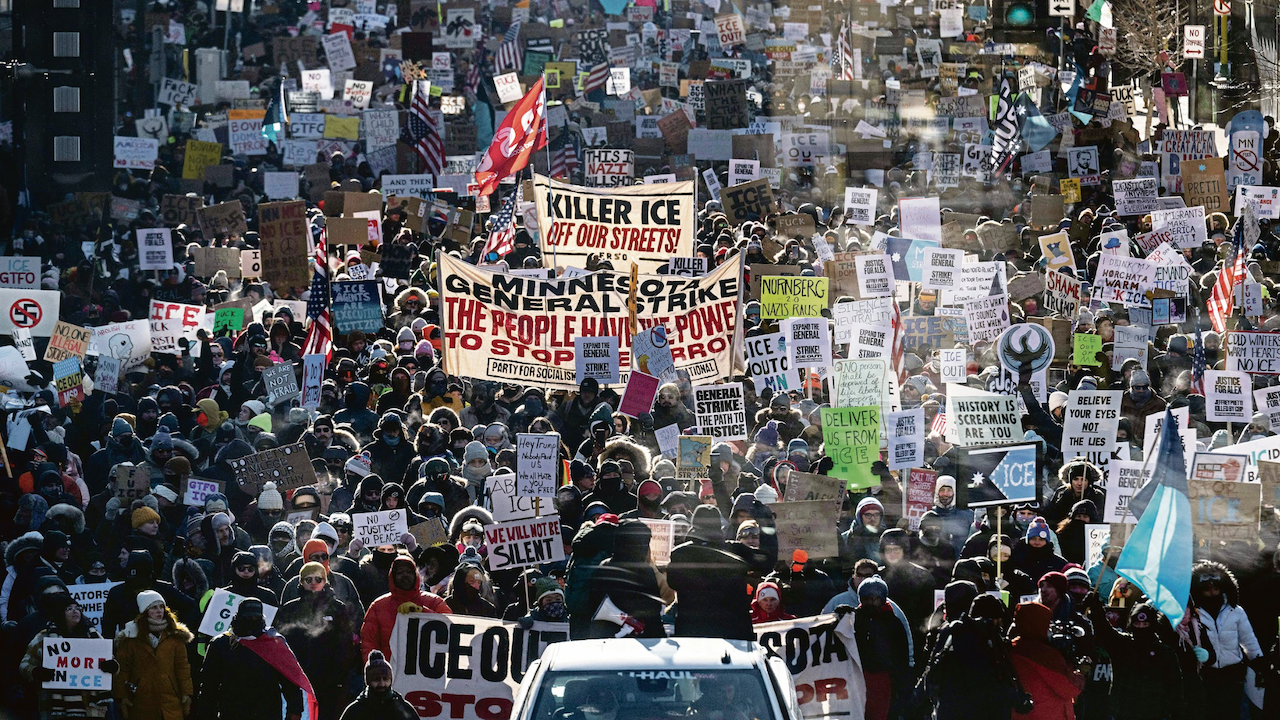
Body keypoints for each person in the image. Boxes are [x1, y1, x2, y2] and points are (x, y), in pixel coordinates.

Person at [198, 599, 316, 720]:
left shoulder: (274, 644)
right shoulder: (221, 644)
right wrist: (206, 712)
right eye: (247, 617)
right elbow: (209, 684)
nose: (251, 621)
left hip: (267, 712)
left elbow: (290, 680)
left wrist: (294, 711)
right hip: (233, 711)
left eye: (255, 618)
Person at [277, 562, 358, 720]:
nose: (313, 583)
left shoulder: (338, 609)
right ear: (301, 582)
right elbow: (281, 645)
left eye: (318, 579)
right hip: (297, 681)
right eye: (308, 580)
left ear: (325, 581)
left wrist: (338, 677)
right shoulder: (289, 609)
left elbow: (346, 645)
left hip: (329, 681)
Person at [22, 595, 116, 720]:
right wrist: (36, 672)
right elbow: (24, 665)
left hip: (90, 708)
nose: (75, 611)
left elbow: (112, 664)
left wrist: (112, 666)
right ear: (60, 613)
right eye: (69, 608)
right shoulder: (44, 638)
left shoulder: (93, 636)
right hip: (56, 708)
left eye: (78, 608)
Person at [1191, 561, 1262, 713]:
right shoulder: (1192, 614)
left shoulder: (1235, 611)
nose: (1211, 591)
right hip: (1204, 674)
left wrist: (1259, 663)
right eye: (1207, 588)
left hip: (1232, 674)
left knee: (1230, 712)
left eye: (1215, 588)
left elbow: (1248, 639)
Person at [112, 591, 194, 720]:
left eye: (161, 607)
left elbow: (182, 666)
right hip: (141, 700)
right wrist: (122, 696)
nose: (159, 611)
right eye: (154, 607)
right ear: (145, 611)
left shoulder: (174, 636)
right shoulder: (131, 637)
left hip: (170, 698)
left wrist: (186, 693)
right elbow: (122, 668)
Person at [360, 554, 450, 663]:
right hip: (390, 676)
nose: (405, 575)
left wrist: (422, 611)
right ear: (392, 576)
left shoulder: (434, 602)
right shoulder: (378, 606)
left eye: (409, 572)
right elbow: (369, 643)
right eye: (400, 572)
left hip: (428, 676)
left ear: (415, 574)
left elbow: (450, 627)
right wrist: (376, 669)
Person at [1009, 602, 1084, 720]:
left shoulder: (1011, 648)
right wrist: (1080, 674)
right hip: (1048, 714)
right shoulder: (1045, 655)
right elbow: (1069, 687)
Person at [852, 576, 910, 720]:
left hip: (883, 678)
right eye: (866, 598)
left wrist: (902, 682)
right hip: (856, 676)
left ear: (882, 599)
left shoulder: (893, 623)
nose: (871, 603)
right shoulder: (853, 619)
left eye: (875, 598)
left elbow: (902, 654)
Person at [337, 650, 418, 720]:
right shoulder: (354, 712)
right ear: (368, 681)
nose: (382, 684)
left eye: (385, 679)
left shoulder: (405, 710)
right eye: (376, 679)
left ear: (391, 680)